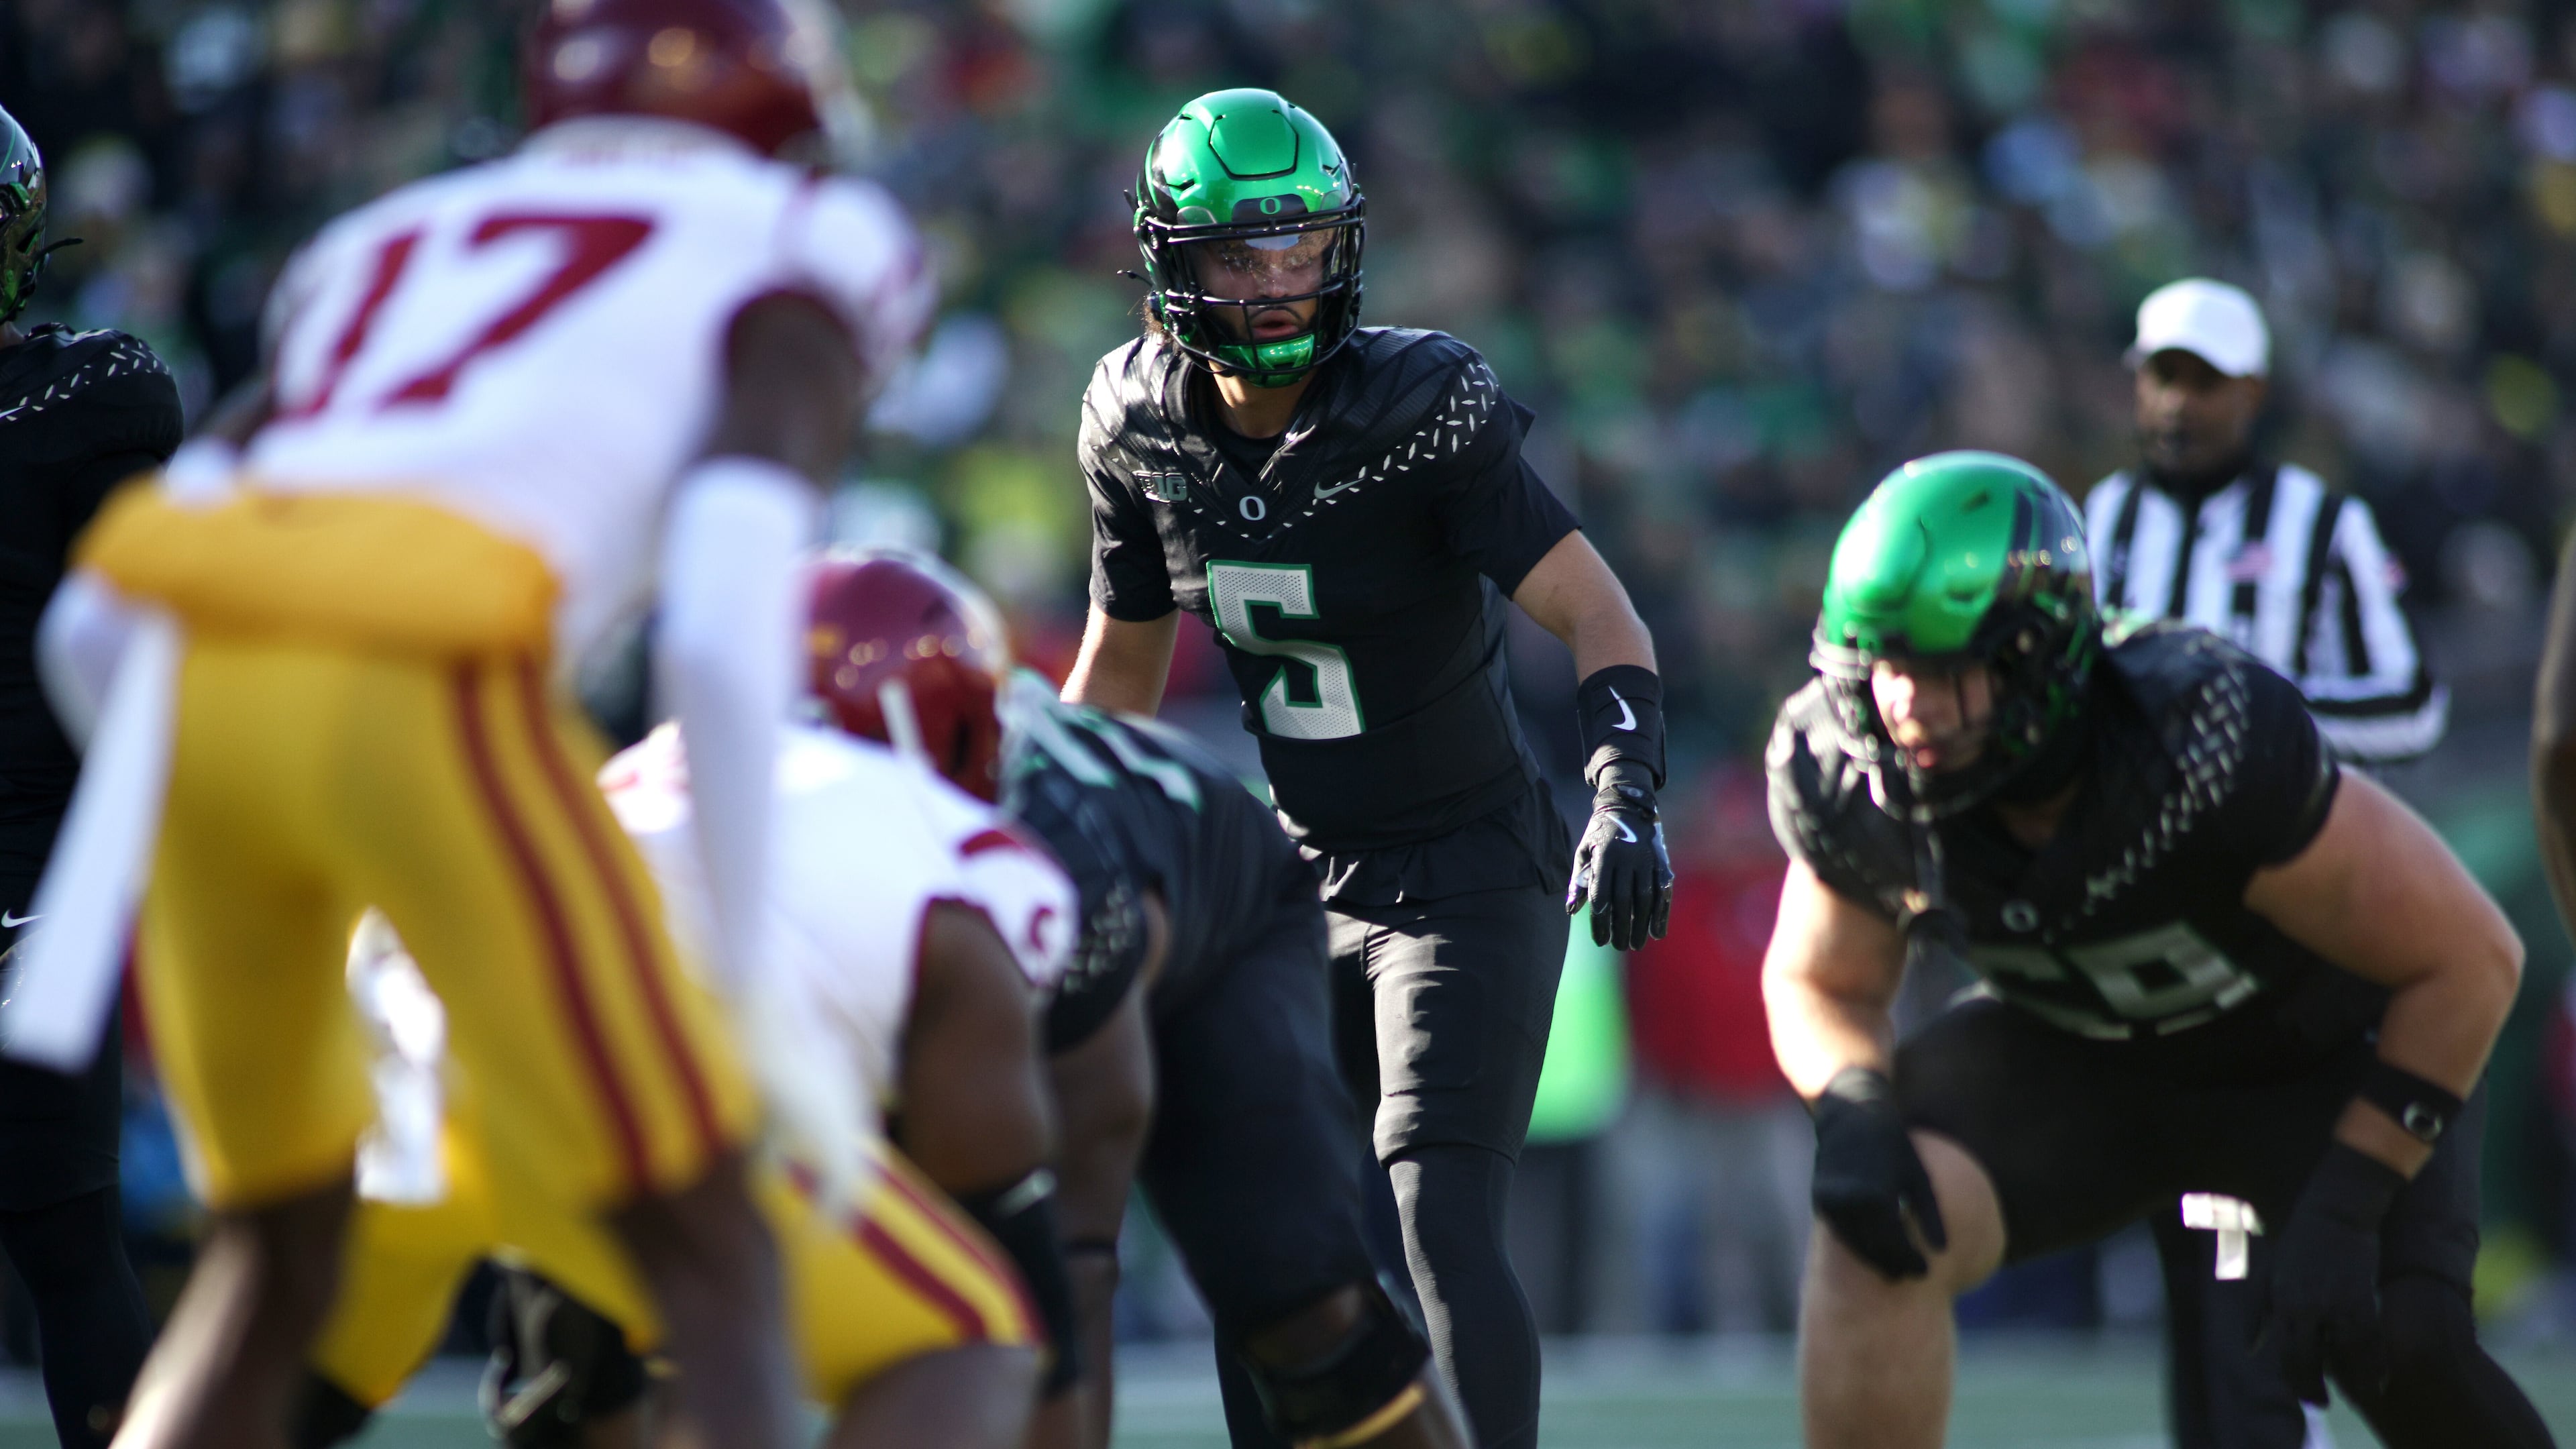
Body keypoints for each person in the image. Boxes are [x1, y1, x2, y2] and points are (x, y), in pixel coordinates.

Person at [13, 0, 932, 1444]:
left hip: (200, 698)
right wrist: (747, 986)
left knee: (270, 1272)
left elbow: (97, 621)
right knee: (715, 1248)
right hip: (428, 685)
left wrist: (149, 867)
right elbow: (717, 613)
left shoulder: (386, 240)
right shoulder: (808, 236)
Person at [1064, 87, 1668, 1448]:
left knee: (1436, 1212)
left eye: (1301, 248)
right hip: (1297, 883)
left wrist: (1625, 793)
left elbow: (1599, 614)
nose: (1279, 282)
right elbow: (1120, 671)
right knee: (1267, 1231)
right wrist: (1042, 838)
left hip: (1468, 866)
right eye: (1242, 253)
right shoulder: (1134, 418)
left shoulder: (1420, 402)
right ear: (1170, 262)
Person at [1763, 450, 2554, 1449]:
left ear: (2037, 657)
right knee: (1879, 1218)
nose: (1904, 706)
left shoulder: (2192, 738)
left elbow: (2470, 956)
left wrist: (2353, 1197)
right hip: (2086, 1056)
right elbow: (1821, 979)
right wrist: (1852, 1106)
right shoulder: (1852, 772)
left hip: (2309, 1064)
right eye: (1883, 667)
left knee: (2404, 1343)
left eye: (1941, 669)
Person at [291, 650, 1079, 1449]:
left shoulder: (642, 770)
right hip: (627, 1085)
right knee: (973, 1342)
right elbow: (1001, 1217)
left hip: (398, 1050)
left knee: (282, 1379)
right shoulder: (974, 862)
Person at [816, 549, 1471, 1449]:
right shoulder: (684, 830)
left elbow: (1075, 1247)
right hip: (1043, 943)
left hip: (1217, 917)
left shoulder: (1045, 868)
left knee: (1293, 1305)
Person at [2084, 276, 2450, 1449]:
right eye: (2162, 376)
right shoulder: (2102, 519)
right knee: (2185, 1243)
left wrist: (2251, 723)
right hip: (2148, 928)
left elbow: (2412, 702)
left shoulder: (2321, 523)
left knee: (2249, 1235)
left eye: (2203, 381)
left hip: (2287, 927)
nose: (2177, 403)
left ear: (2253, 393)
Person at [0, 103, 172, 1449]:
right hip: (42, 885)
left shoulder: (88, 401)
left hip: (37, 873)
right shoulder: (91, 397)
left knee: (68, 1247)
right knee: (67, 1245)